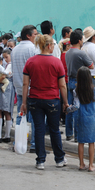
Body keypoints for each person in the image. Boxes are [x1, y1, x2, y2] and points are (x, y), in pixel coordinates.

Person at [21, 34, 68, 170]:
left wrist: (24, 103)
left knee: (39, 129)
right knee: (54, 130)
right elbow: (62, 85)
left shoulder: (31, 62)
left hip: (35, 99)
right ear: (48, 46)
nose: (54, 47)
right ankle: (59, 158)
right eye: (53, 45)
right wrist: (65, 102)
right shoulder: (56, 62)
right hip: (52, 100)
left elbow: (25, 84)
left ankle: (40, 160)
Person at [66, 67, 95, 172]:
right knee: (91, 143)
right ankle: (91, 165)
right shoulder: (93, 89)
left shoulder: (76, 90)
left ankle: (81, 164)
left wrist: (68, 109)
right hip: (92, 118)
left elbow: (76, 106)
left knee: (81, 142)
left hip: (80, 118)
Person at [11, 25, 40, 152]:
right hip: (31, 87)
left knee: (20, 115)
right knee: (34, 117)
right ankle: (34, 144)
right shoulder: (32, 49)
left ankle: (18, 142)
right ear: (28, 36)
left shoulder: (15, 49)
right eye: (35, 34)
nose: (37, 36)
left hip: (19, 87)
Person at [65, 31, 94, 142]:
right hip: (79, 81)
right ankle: (77, 136)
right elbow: (91, 66)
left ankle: (69, 133)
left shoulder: (68, 52)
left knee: (70, 108)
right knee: (78, 109)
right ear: (79, 41)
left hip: (70, 81)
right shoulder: (80, 53)